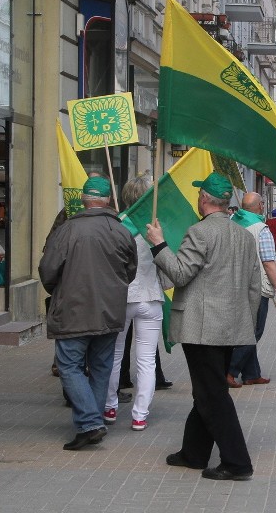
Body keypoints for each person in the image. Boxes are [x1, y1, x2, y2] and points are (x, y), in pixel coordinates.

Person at [146, 172, 260, 481]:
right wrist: (244, 325)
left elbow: (180, 274)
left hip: (202, 327)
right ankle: (193, 452)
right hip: (230, 326)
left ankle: (237, 462)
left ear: (204, 199)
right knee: (208, 390)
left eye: (198, 195)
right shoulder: (245, 235)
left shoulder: (199, 233)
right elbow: (254, 286)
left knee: (213, 395)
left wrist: (158, 246)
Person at [39, 177, 137, 450]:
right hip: (109, 312)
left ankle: (90, 422)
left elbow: (48, 270)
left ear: (84, 199)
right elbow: (130, 272)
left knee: (69, 366)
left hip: (73, 310)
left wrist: (59, 289)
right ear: (108, 200)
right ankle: (91, 423)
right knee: (101, 367)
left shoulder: (68, 230)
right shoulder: (122, 231)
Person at [103, 176, 166, 431]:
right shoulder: (155, 228)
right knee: (146, 360)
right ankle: (140, 415)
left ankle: (110, 406)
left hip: (122, 298)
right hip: (150, 297)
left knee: (114, 355)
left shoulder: (116, 226)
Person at [227, 192, 276, 388]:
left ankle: (252, 373)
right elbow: (269, 263)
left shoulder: (232, 222)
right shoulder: (261, 229)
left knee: (246, 329)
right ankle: (230, 370)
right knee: (254, 331)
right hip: (256, 287)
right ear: (260, 206)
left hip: (234, 284)